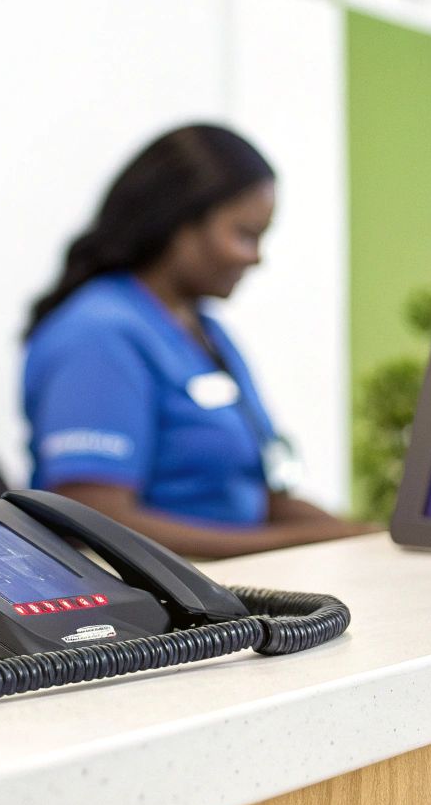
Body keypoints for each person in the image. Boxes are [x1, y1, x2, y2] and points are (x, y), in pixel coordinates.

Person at [22, 124, 370, 559]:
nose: (256, 257)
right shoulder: (98, 334)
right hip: (157, 612)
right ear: (178, 222)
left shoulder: (205, 331)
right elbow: (96, 520)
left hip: (238, 590)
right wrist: (298, 544)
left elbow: (255, 498)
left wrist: (366, 537)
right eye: (244, 235)